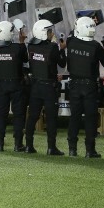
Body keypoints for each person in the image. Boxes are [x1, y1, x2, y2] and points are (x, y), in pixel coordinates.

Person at [66, 16, 104, 158]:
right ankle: (90, 150)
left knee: (75, 118)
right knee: (90, 118)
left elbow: (73, 33)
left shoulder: (71, 42)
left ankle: (72, 149)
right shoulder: (96, 46)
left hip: (74, 85)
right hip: (90, 86)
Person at [26, 19, 67, 155]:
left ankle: (28, 145)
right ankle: (51, 147)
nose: (51, 34)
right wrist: (62, 49)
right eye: (49, 31)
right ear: (44, 33)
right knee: (51, 118)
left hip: (35, 86)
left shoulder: (30, 46)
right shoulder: (52, 47)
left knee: (32, 116)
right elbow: (61, 63)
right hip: (49, 87)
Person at [0, 21, 28, 152]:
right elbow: (26, 59)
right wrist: (22, 42)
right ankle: (18, 144)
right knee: (18, 115)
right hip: (16, 85)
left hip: (1, 86)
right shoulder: (17, 48)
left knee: (1, 115)